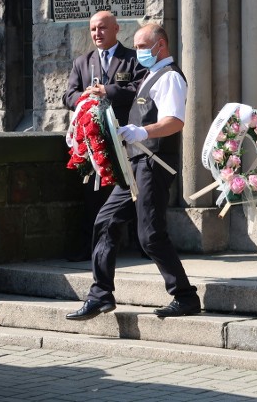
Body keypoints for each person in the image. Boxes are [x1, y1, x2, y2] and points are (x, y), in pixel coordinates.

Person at [66, 22, 202, 320]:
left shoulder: (170, 78)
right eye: (137, 46)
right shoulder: (152, 76)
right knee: (106, 221)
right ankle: (100, 295)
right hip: (135, 163)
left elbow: (175, 121)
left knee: (150, 235)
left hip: (153, 163)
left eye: (142, 47)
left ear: (160, 46)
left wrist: (140, 132)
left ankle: (185, 296)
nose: (138, 52)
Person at [63, 11, 146, 262]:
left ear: (116, 29)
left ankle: (142, 243)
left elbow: (141, 90)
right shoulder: (83, 62)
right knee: (92, 195)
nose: (97, 34)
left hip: (125, 136)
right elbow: (68, 96)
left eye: (102, 28)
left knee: (131, 190)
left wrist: (107, 90)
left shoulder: (132, 59)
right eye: (93, 30)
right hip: (93, 139)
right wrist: (86, 97)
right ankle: (91, 245)